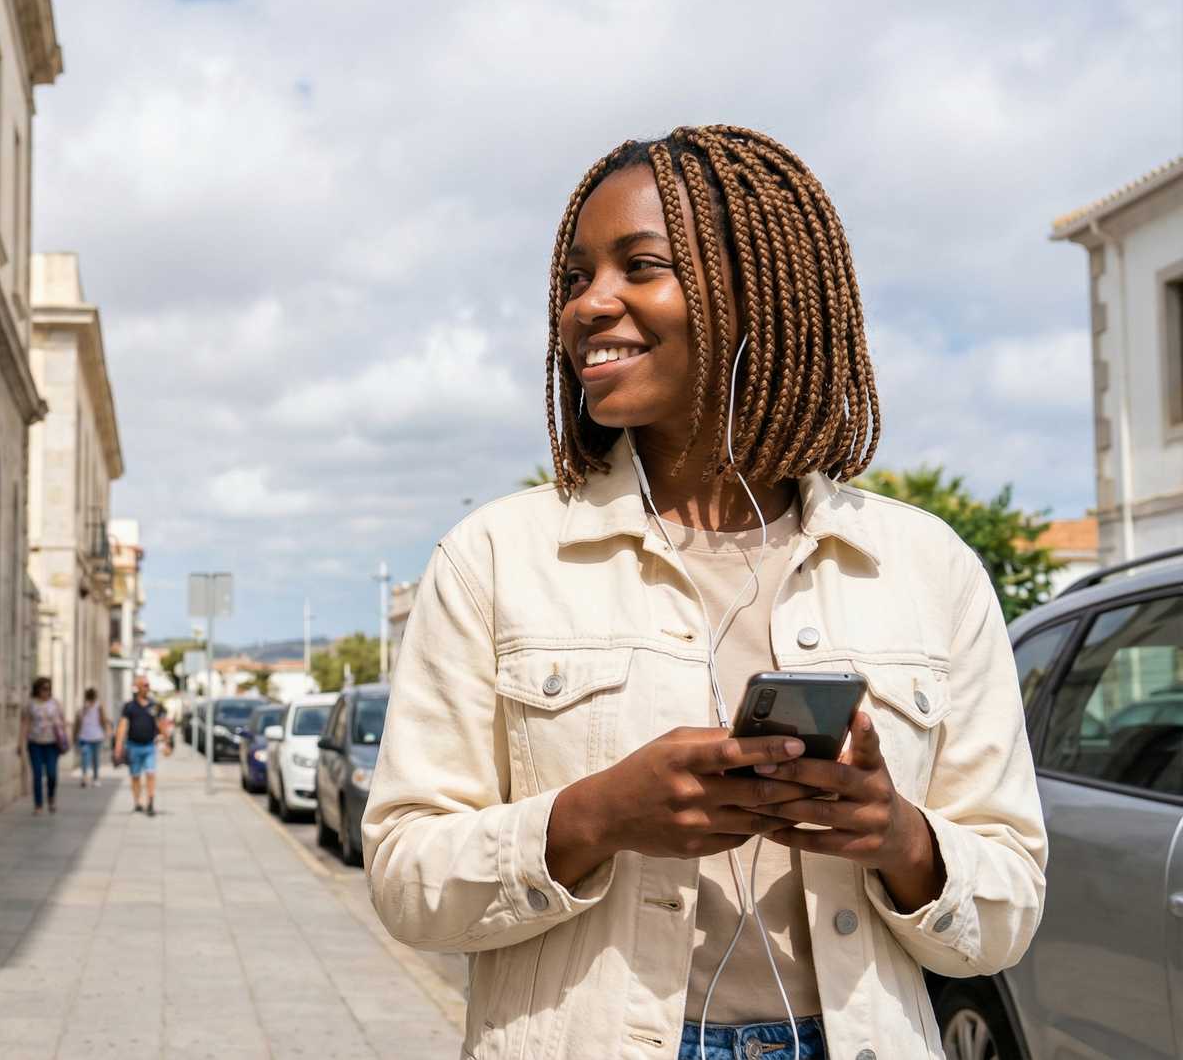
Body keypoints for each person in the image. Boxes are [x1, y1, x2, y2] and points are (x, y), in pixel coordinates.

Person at [363, 126, 1046, 1060]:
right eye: (574, 278)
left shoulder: (925, 568)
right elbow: (405, 875)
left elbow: (1009, 905)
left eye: (638, 266)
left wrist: (900, 838)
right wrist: (594, 816)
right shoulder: (494, 557)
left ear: (754, 294)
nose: (588, 305)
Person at [113, 676, 172, 815]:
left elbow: (161, 724)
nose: (147, 687)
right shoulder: (129, 706)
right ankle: (137, 802)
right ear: (138, 687)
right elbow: (122, 726)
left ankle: (150, 801)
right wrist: (118, 746)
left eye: (148, 685)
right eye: (144, 685)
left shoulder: (154, 705)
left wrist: (167, 742)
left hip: (149, 746)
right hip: (133, 746)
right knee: (135, 776)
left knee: (151, 773)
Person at [21, 677, 66, 815]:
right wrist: (20, 743)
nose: (46, 692)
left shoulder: (55, 703)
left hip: (52, 744)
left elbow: (63, 721)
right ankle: (38, 805)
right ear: (37, 689)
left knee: (52, 774)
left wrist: (62, 730)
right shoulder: (30, 704)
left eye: (48, 689)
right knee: (37, 775)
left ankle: (51, 797)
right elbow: (25, 724)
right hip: (35, 743)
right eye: (43, 689)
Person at [74, 687, 111, 788]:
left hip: (92, 736)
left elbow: (78, 723)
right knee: (90, 758)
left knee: (90, 758)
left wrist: (75, 735)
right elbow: (102, 720)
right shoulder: (85, 708)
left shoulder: (95, 707)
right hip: (89, 737)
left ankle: (91, 777)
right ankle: (90, 778)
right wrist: (106, 731)